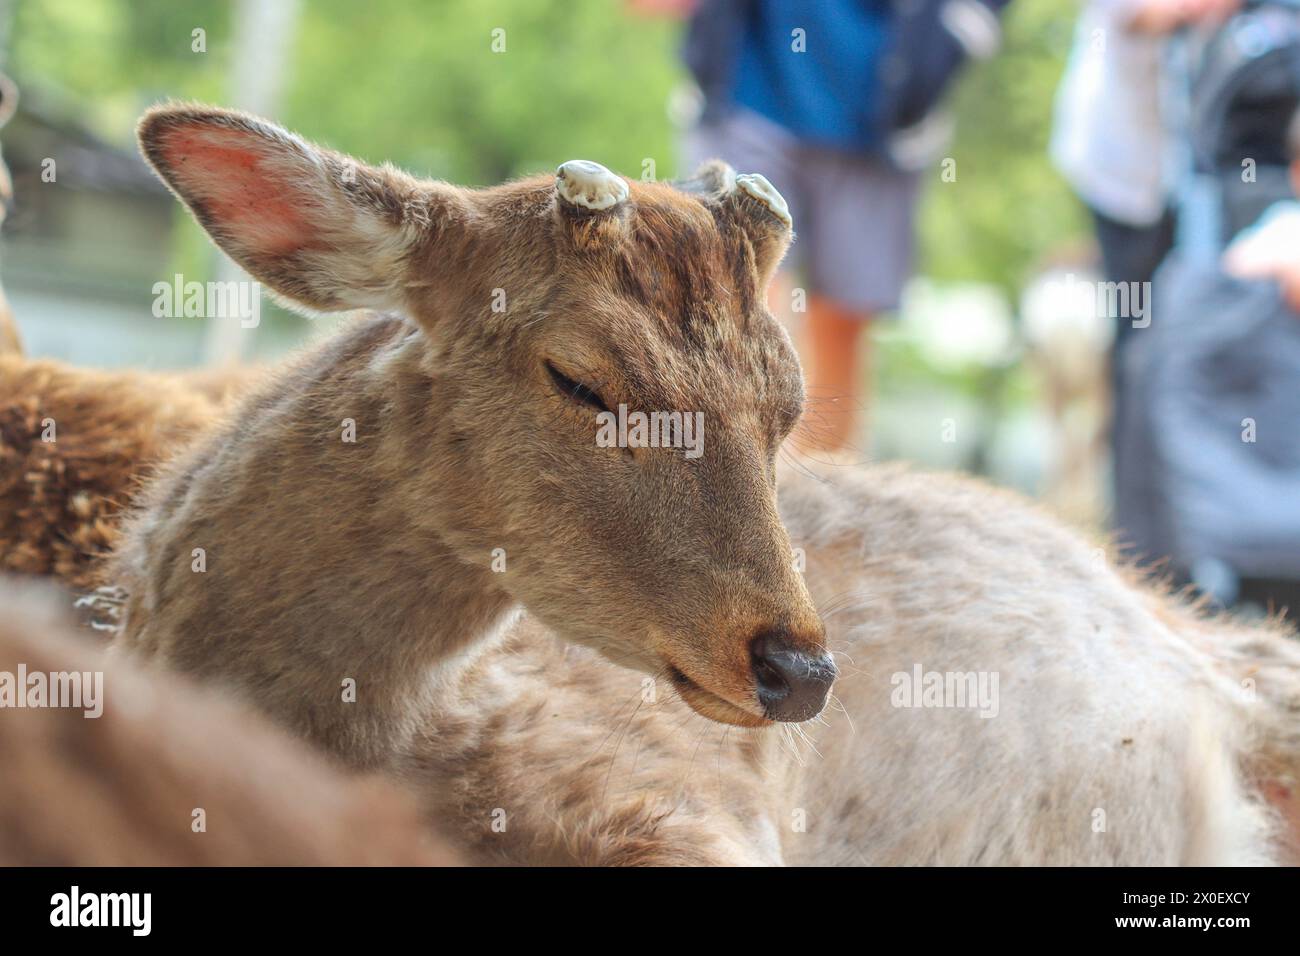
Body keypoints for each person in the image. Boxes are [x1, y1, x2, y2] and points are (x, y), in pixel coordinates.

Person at [676, 0, 1006, 451]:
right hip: (749, 87)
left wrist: (964, 25)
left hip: (882, 108)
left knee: (841, 321)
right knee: (745, 292)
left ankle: (819, 497)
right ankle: (744, 484)